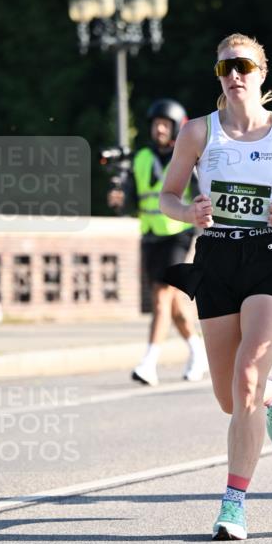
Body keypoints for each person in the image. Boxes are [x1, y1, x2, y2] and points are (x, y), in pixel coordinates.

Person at [159, 33, 272, 540]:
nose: (234, 75)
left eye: (243, 66)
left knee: (248, 374)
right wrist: (188, 211)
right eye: (224, 68)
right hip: (215, 258)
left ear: (261, 73)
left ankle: (233, 504)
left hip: (271, 255)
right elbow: (167, 196)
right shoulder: (197, 133)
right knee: (232, 399)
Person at [107, 98, 208, 385]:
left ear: (177, 127)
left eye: (165, 124)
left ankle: (149, 363)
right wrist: (119, 201)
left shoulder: (186, 156)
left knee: (161, 297)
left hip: (178, 232)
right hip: (151, 235)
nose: (159, 129)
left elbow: (201, 195)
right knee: (174, 303)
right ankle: (197, 351)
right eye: (155, 124)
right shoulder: (139, 159)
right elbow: (131, 201)